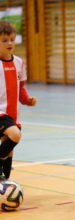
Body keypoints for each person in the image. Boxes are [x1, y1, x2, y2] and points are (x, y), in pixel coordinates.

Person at [0, 20, 37, 181]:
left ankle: (4, 186)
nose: (10, 43)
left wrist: (28, 100)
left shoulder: (19, 63)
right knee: (15, 134)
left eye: (12, 39)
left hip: (12, 113)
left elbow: (20, 90)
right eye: (4, 40)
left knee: (9, 151)